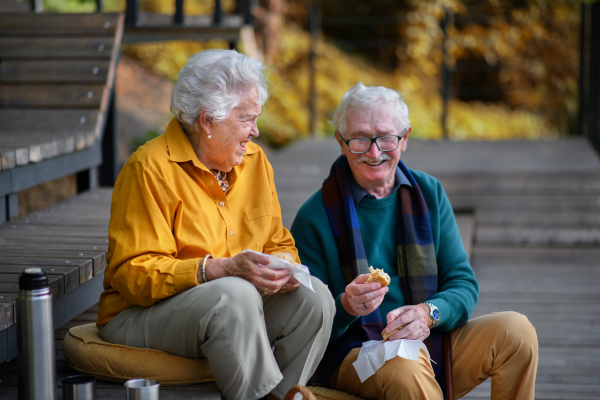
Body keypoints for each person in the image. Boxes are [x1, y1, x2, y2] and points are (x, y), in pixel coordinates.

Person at [96, 49, 335, 400]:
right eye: (245, 119)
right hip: (140, 314)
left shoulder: (255, 162)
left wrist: (285, 267)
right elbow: (133, 275)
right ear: (207, 121)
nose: (255, 131)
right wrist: (215, 269)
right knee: (233, 294)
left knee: (315, 298)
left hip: (234, 307)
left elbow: (277, 241)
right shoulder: (149, 169)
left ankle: (283, 394)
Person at [291, 83, 538, 400]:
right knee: (404, 366)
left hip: (430, 342)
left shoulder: (428, 192)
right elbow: (302, 324)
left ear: (404, 139)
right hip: (353, 355)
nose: (374, 152)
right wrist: (345, 306)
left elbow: (462, 283)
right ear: (341, 142)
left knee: (516, 333)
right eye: (360, 140)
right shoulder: (314, 217)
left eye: (385, 138)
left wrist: (429, 313)